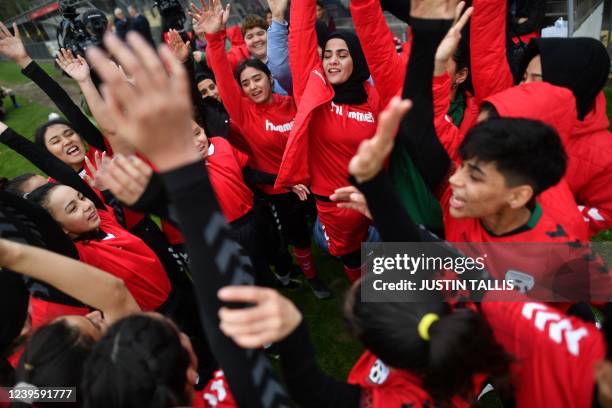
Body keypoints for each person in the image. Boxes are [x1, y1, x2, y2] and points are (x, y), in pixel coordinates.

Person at [193, 0, 330, 298]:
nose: (253, 86)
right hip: (280, 193)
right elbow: (222, 76)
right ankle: (313, 277)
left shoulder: (291, 102)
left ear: (270, 79)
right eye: (246, 83)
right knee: (299, 238)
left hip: (312, 181)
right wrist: (215, 39)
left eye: (258, 79)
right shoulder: (243, 113)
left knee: (331, 226)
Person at [275, 0, 383, 282]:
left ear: (357, 59)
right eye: (328, 55)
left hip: (377, 197)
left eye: (343, 54)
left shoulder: (373, 97)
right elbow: (301, 40)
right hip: (336, 204)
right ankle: (361, 305)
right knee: (351, 257)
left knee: (390, 255)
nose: (333, 60)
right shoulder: (314, 92)